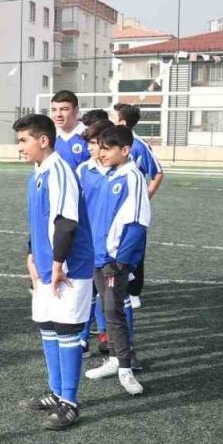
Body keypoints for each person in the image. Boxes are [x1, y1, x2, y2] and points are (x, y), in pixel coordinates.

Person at [12, 114, 94, 430]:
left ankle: (70, 403)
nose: (20, 147)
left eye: (23, 140)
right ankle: (57, 393)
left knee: (67, 330)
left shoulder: (60, 170)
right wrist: (32, 254)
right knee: (48, 325)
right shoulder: (38, 172)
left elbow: (66, 222)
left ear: (43, 140)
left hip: (69, 267)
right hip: (46, 266)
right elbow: (39, 219)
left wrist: (59, 263)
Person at [82, 125, 149, 396]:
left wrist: (120, 261)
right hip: (95, 256)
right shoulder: (105, 175)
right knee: (103, 310)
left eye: (108, 148)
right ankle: (112, 360)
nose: (102, 152)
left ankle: (125, 368)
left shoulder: (132, 177)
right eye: (101, 147)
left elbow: (137, 223)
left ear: (125, 150)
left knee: (114, 310)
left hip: (112, 260)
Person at [110, 103, 164, 316]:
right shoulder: (110, 143)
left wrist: (146, 196)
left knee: (133, 246)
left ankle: (133, 292)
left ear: (122, 121)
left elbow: (158, 173)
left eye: (114, 116)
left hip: (131, 206)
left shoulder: (139, 144)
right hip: (113, 202)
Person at [76, 120, 114, 354]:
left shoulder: (121, 170)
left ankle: (112, 340)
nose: (90, 148)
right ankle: (82, 337)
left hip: (111, 245)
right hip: (86, 242)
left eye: (94, 143)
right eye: (88, 143)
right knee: (85, 290)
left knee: (111, 296)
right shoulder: (83, 170)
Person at [50, 90, 88, 169]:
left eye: (64, 109)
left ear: (76, 110)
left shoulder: (90, 136)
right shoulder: (50, 137)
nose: (58, 114)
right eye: (54, 110)